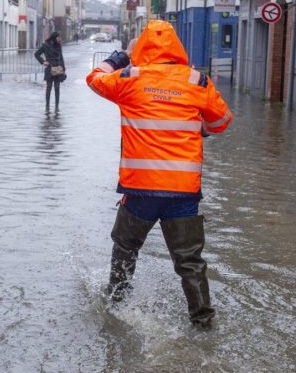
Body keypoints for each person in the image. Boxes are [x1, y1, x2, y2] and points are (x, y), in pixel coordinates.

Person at [85, 20, 233, 327]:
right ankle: (203, 321)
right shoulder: (198, 81)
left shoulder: (129, 78)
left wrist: (117, 58)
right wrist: (198, 127)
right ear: (177, 47)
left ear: (141, 47)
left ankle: (115, 305)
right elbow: (221, 122)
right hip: (184, 192)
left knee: (126, 249)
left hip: (140, 190)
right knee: (189, 261)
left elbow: (94, 78)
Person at [35, 32, 66, 110]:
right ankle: (47, 106)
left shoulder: (58, 45)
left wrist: (63, 69)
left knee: (57, 87)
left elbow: (61, 57)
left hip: (58, 68)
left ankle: (56, 106)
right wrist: (43, 62)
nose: (60, 39)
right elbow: (36, 54)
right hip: (49, 68)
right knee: (49, 87)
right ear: (54, 37)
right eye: (58, 37)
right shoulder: (45, 45)